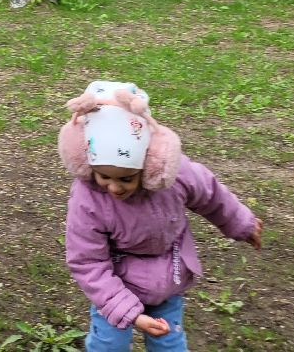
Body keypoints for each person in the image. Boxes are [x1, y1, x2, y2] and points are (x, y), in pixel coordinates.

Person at [59, 80, 262, 350]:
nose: (115, 187)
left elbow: (211, 195)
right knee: (109, 346)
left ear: (150, 162)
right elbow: (87, 261)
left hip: (167, 277)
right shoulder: (89, 199)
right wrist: (130, 314)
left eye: (127, 178)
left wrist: (241, 223)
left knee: (170, 344)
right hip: (115, 284)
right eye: (104, 176)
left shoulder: (174, 175)